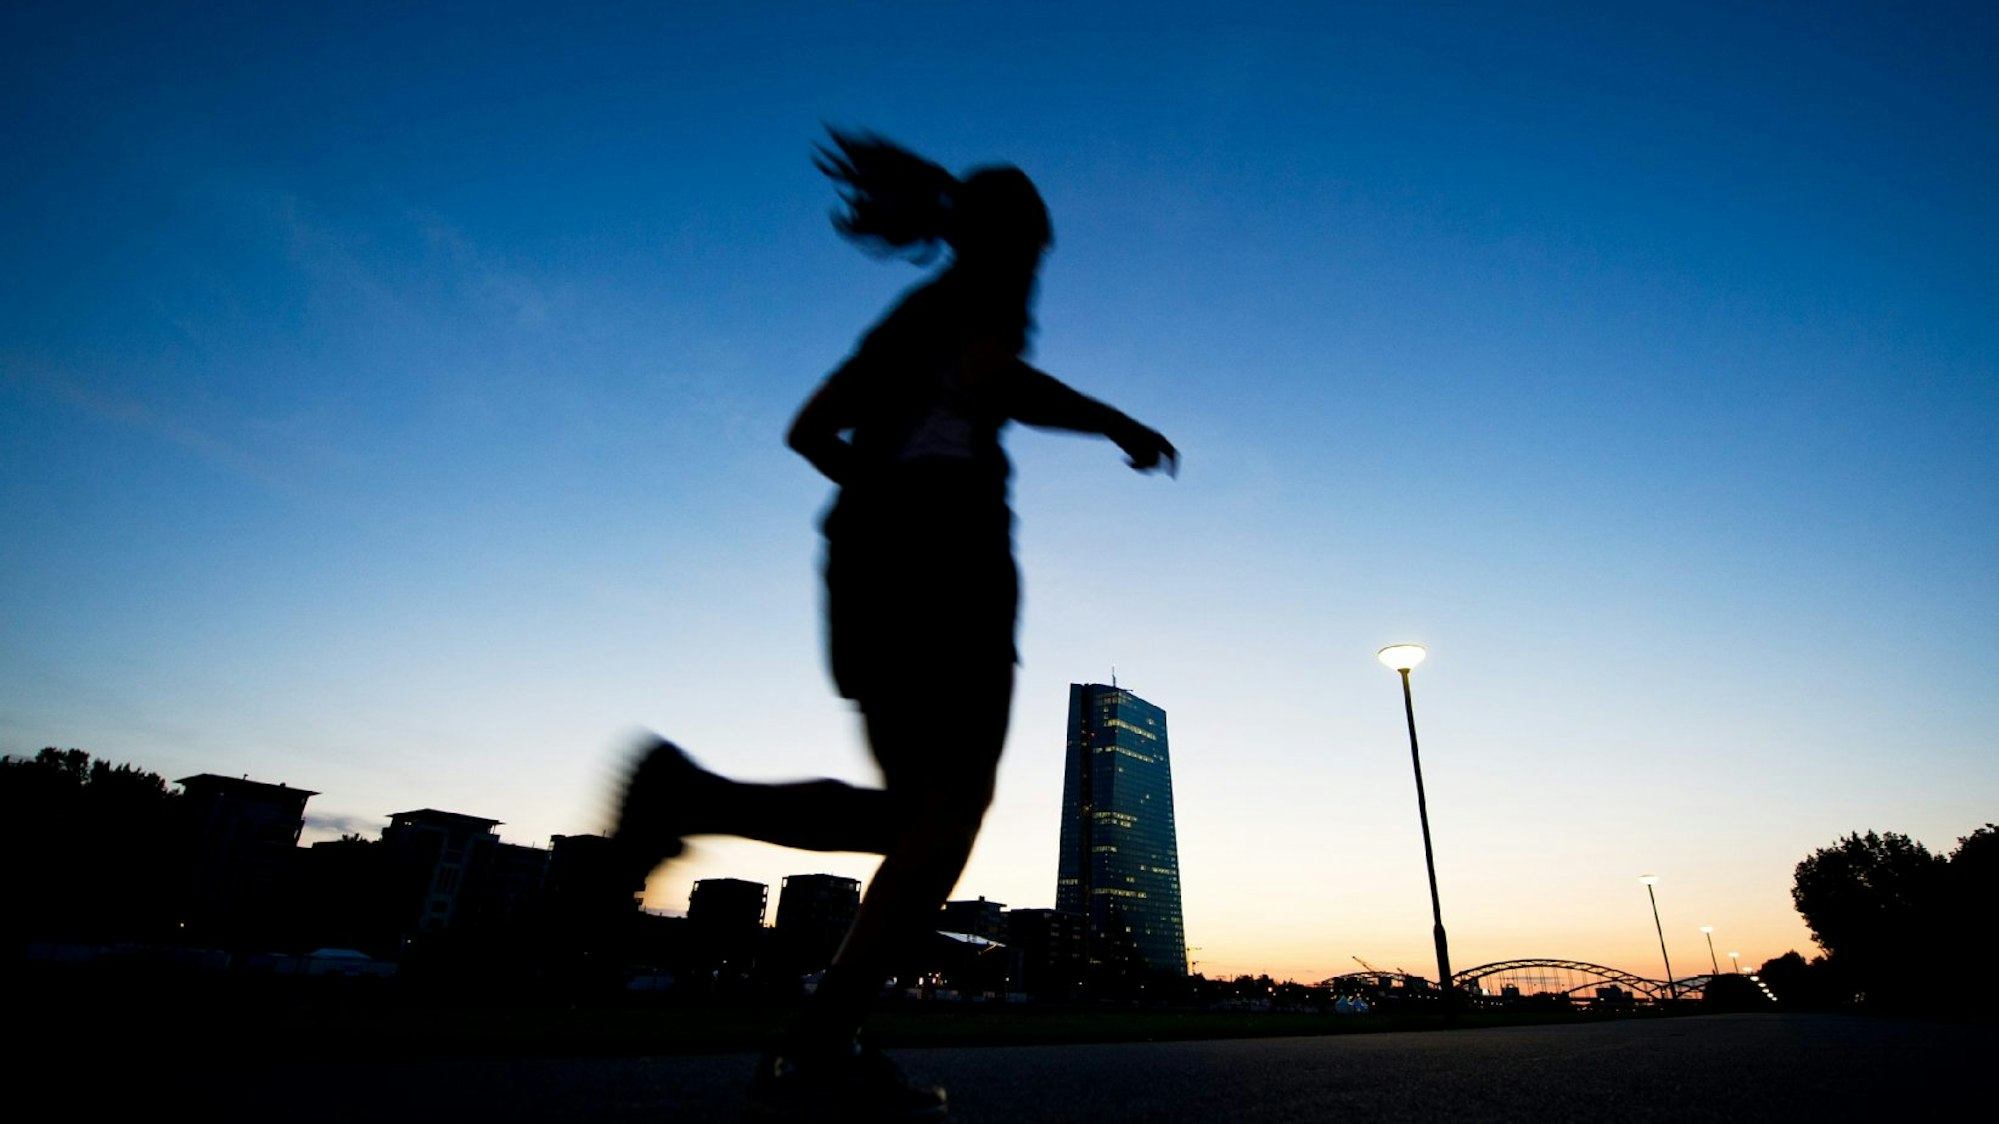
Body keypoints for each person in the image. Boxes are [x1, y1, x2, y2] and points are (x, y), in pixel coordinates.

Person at [611, 129, 1177, 1121]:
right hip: (947, 556)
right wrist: (1117, 422)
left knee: (910, 816)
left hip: (861, 562)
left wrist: (877, 499)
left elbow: (807, 430)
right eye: (1038, 245)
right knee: (948, 815)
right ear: (1021, 240)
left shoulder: (902, 319)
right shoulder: (981, 293)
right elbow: (993, 376)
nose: (1039, 263)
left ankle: (690, 794)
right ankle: (819, 1043)